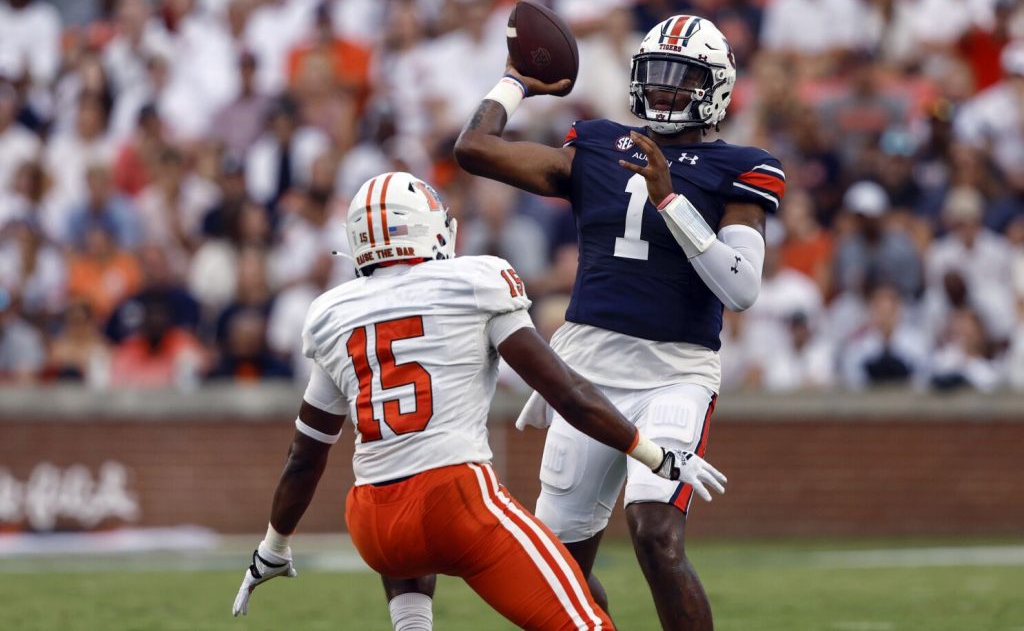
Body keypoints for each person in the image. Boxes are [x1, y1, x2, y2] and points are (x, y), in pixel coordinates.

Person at [231, 172, 726, 631]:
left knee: (397, 480)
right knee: (588, 623)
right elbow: (567, 392)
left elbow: (305, 455)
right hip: (455, 500)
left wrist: (274, 545)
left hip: (373, 523)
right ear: (430, 230)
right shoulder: (474, 281)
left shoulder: (331, 313)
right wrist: (653, 454)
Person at [455, 14, 782, 630]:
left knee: (655, 534)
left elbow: (740, 289)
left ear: (715, 87)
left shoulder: (742, 165)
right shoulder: (600, 144)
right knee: (559, 570)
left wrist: (670, 200)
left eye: (679, 79)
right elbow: (474, 149)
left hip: (674, 374)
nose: (662, 91)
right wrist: (514, 83)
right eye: (654, 76)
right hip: (585, 373)